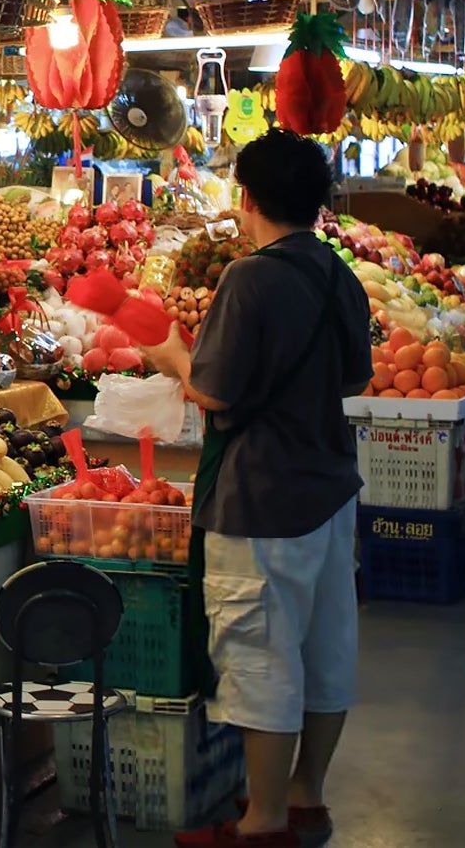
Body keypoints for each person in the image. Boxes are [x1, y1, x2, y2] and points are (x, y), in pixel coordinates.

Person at [140, 128, 372, 848]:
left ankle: (263, 822)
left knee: (261, 654)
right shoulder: (337, 272)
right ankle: (304, 798)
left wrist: (170, 349)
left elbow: (209, 391)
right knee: (325, 650)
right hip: (329, 488)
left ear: (247, 197)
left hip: (262, 497)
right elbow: (356, 379)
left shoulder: (251, 277)